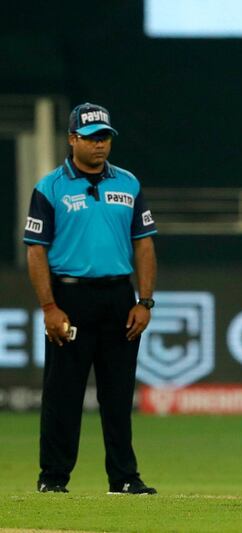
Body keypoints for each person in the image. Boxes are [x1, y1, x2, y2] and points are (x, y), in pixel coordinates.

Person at [23, 102, 159, 495]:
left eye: (104, 137)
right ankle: (53, 477)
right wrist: (49, 306)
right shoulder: (50, 187)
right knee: (63, 394)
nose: (99, 145)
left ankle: (125, 478)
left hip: (119, 296)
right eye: (91, 137)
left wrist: (144, 301)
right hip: (71, 295)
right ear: (71, 139)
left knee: (118, 395)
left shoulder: (128, 184)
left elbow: (144, 244)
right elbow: (35, 249)